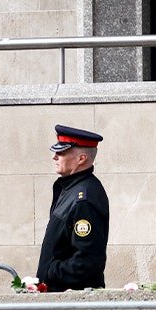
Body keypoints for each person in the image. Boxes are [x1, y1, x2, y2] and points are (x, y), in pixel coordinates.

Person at [36, 124, 109, 291]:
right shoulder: (70, 189)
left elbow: (87, 262)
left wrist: (49, 272)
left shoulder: (83, 199)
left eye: (61, 152)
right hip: (62, 295)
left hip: (71, 298)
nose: (55, 157)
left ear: (81, 159)